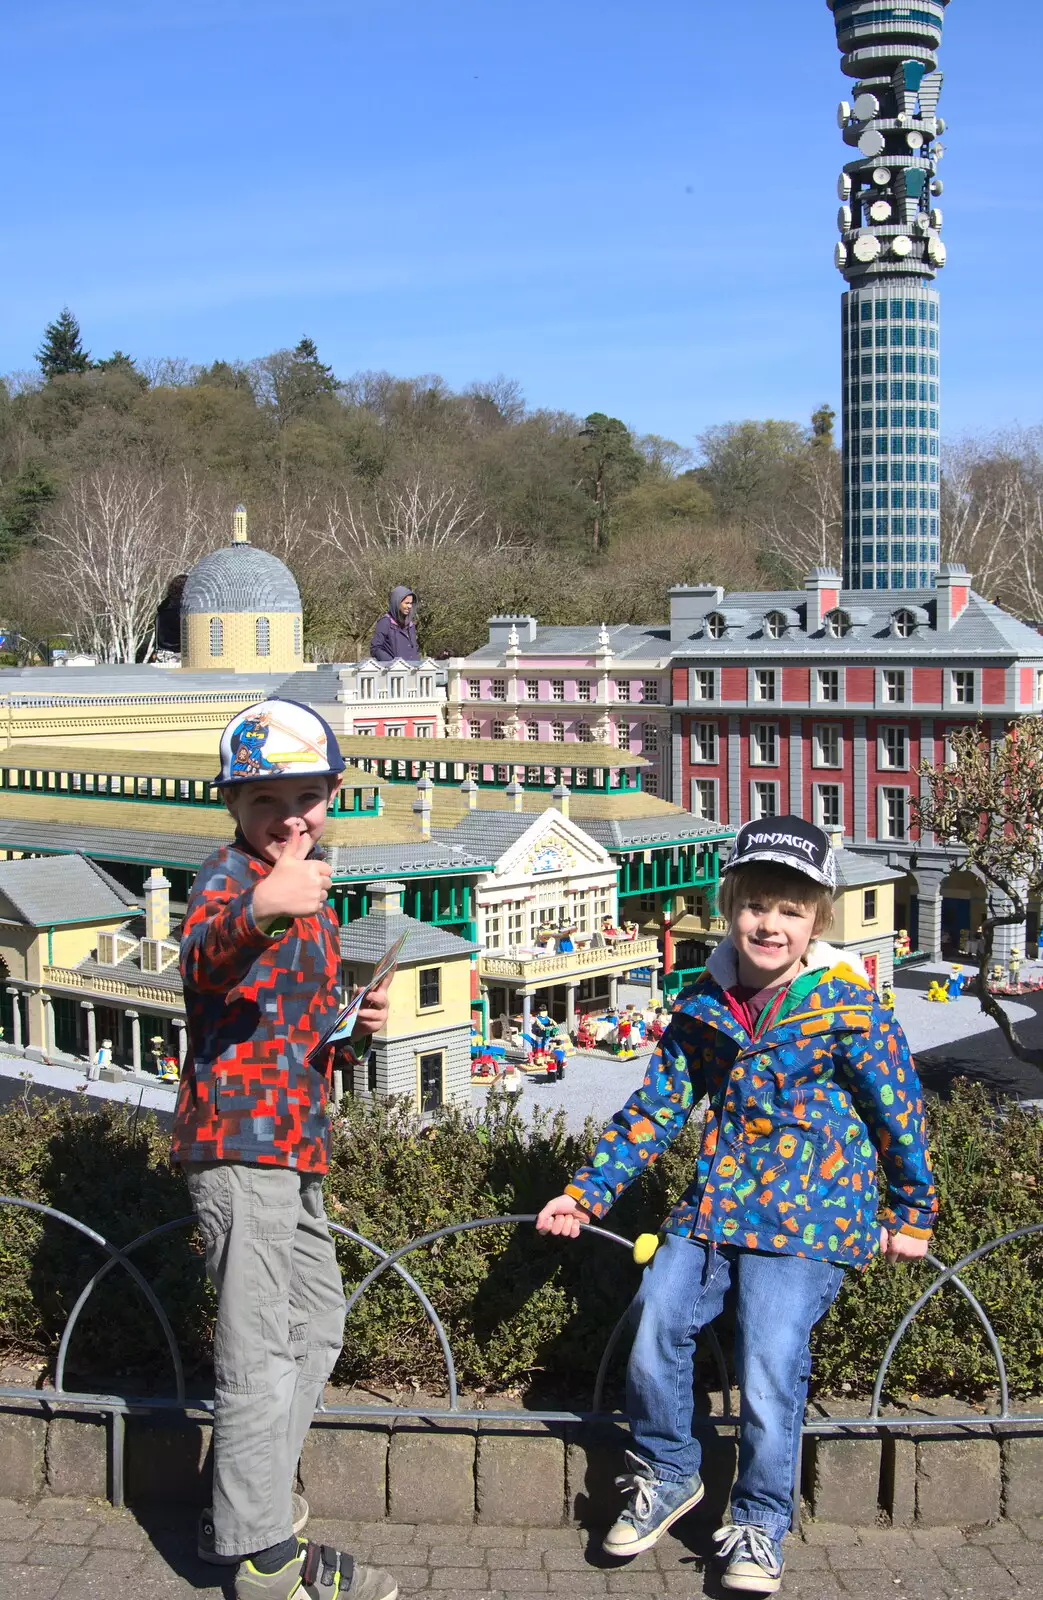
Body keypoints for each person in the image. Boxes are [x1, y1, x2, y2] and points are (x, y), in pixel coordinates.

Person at [537, 816, 936, 1594]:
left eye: (790, 910)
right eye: (756, 905)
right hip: (716, 1206)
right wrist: (584, 1194)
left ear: (816, 918)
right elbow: (654, 1111)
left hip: (814, 1215)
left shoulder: (847, 1004)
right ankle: (668, 1469)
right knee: (655, 1319)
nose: (769, 924)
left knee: (768, 1357)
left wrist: (912, 1212)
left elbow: (898, 1111)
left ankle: (758, 1522)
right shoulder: (702, 1002)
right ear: (730, 907)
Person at [172, 698, 397, 1600]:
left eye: (305, 795)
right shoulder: (230, 879)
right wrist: (262, 908)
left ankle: (244, 1506)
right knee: (259, 1349)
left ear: (334, 793)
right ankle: (263, 1560)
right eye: (265, 800)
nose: (289, 817)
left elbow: (284, 1034)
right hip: (238, 1146)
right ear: (233, 805)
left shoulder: (313, 896)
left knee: (314, 1327)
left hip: (293, 1145)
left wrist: (353, 1027)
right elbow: (200, 964)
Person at [369, 586, 419, 663]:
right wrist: (392, 663)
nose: (409, 606)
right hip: (394, 672)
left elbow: (414, 649)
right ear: (397, 602)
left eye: (411, 603)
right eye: (406, 603)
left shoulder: (410, 625)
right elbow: (375, 649)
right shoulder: (385, 622)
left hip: (412, 671)